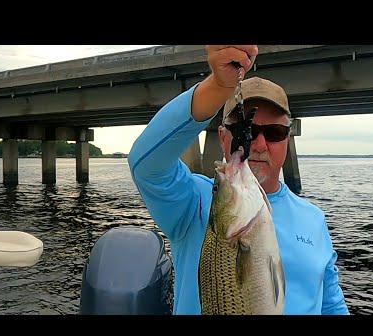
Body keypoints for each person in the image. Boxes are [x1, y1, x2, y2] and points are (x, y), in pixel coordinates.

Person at [128, 45, 349, 315]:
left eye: (275, 133)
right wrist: (218, 87)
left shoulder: (313, 218)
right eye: (246, 129)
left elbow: (331, 304)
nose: (258, 143)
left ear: (287, 140)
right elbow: (146, 164)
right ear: (222, 137)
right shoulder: (194, 204)